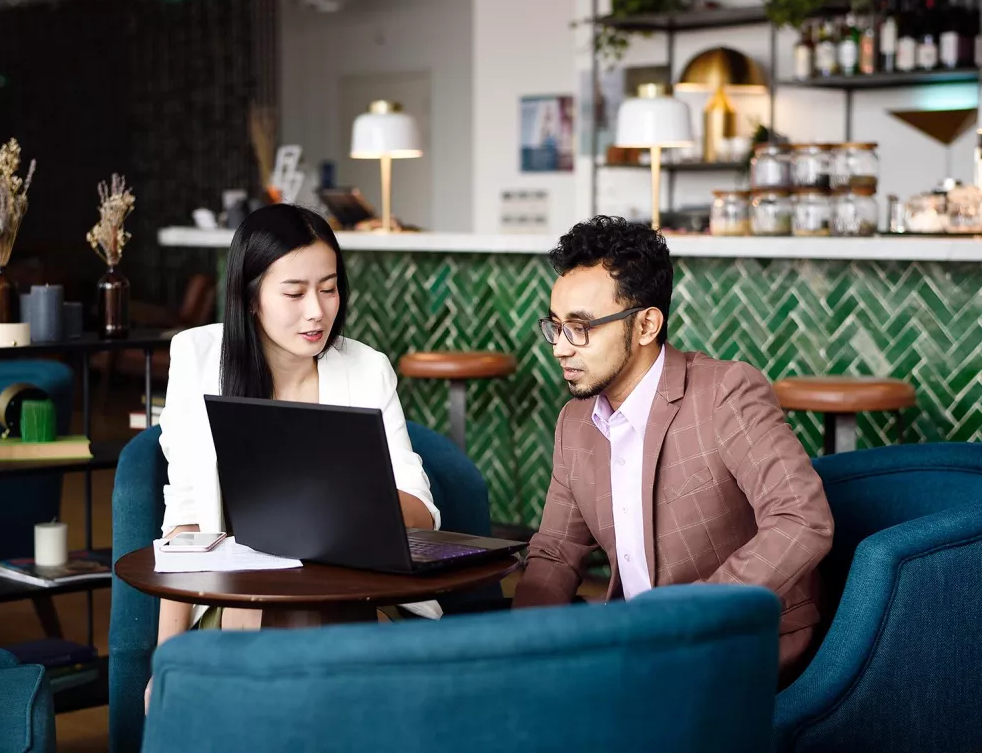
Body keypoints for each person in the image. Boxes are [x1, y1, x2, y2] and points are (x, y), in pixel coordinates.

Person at [512, 216, 834, 684]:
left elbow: (803, 520)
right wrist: (517, 650)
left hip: (740, 643)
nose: (560, 347)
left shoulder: (725, 392)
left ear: (645, 324)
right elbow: (558, 552)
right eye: (555, 326)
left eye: (580, 328)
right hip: (640, 648)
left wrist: (684, 616)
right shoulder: (576, 422)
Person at [146, 204, 440, 710]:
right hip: (239, 600)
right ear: (250, 295)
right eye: (294, 292)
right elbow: (187, 522)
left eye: (329, 288)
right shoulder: (196, 360)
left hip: (355, 597)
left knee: (314, 624)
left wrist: (355, 497)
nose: (317, 311)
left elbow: (420, 509)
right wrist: (165, 664)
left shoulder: (367, 369)